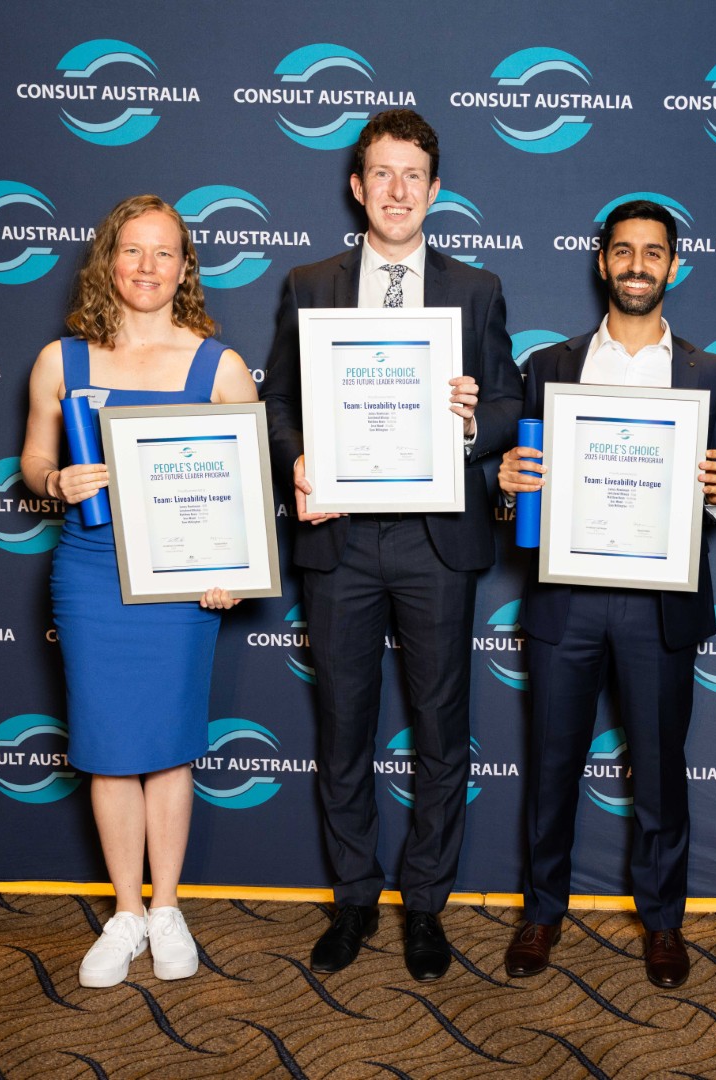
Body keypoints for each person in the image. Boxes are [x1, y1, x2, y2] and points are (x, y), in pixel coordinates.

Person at [262, 110, 523, 982]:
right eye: (382, 173)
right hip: (338, 536)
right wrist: (298, 460)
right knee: (343, 727)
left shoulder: (476, 289)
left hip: (432, 538)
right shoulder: (309, 284)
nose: (397, 190)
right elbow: (280, 402)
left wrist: (467, 424)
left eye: (413, 174)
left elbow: (507, 404)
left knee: (441, 730)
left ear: (435, 190)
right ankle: (353, 898)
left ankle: (424, 904)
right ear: (357, 186)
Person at [496, 200, 716, 989]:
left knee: (660, 773)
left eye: (653, 252)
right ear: (602, 261)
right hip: (566, 598)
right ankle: (541, 913)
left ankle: (663, 923)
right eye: (624, 251)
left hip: (659, 603)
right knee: (551, 766)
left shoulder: (710, 372)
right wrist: (507, 486)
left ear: (674, 266)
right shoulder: (549, 366)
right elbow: (523, 487)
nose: (638, 265)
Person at [20, 194, 257, 988]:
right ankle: (124, 913)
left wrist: (233, 567)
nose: (147, 266)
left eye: (164, 252)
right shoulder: (61, 361)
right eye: (132, 250)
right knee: (109, 748)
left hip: (181, 579)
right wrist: (55, 479)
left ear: (185, 268)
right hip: (91, 570)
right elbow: (32, 462)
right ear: (109, 261)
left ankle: (166, 908)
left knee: (168, 743)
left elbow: (247, 488)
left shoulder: (219, 367)